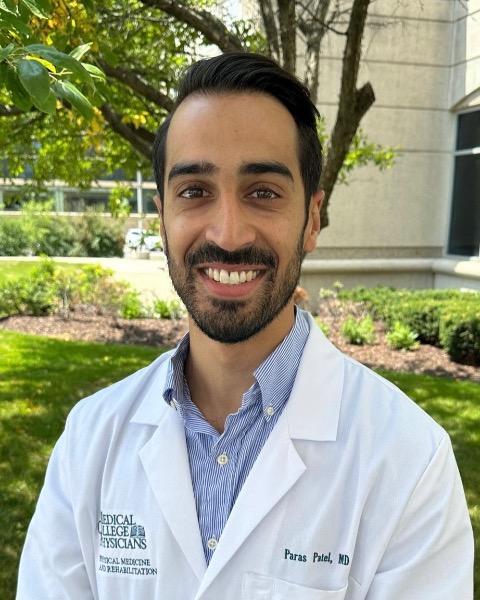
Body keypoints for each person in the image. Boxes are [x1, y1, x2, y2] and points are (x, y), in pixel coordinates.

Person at [17, 52, 473, 600]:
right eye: (194, 191)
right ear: (162, 219)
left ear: (311, 220)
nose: (228, 234)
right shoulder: (89, 440)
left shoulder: (408, 461)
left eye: (263, 192)